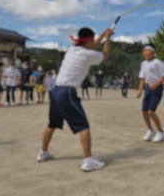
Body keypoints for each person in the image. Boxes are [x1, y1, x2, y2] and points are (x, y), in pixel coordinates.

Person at [36, 27, 114, 172]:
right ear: (89, 41)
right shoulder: (87, 55)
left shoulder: (73, 49)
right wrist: (107, 38)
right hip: (67, 93)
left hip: (55, 91)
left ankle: (43, 153)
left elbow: (92, 45)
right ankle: (88, 160)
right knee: (83, 126)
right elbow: (104, 54)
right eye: (93, 39)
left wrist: (104, 33)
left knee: (52, 124)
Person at [137, 43, 164, 142]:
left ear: (153, 52)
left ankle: (160, 131)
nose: (146, 52)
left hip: (156, 89)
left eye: (148, 50)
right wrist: (140, 90)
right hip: (147, 88)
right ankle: (150, 130)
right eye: (144, 51)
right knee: (144, 111)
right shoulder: (143, 63)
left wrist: (156, 84)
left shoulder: (158, 62)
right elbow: (142, 78)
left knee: (151, 111)